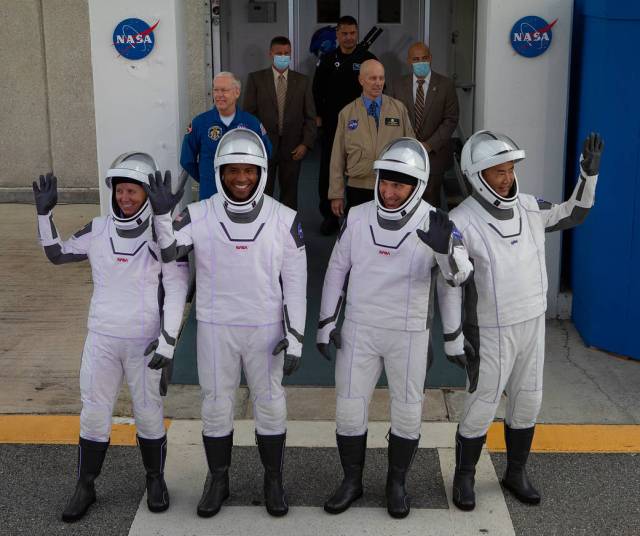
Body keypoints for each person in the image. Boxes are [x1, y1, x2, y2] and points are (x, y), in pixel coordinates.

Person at [437, 131, 604, 511]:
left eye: (511, 170)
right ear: (477, 175)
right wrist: (452, 335)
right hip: (490, 330)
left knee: (528, 401)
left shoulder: (529, 207)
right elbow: (452, 280)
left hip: (532, 323)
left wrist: (588, 176)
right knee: (482, 403)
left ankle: (516, 472)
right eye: (498, 172)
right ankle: (464, 477)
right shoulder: (460, 220)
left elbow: (572, 213)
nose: (508, 178)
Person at [147, 128, 307, 518]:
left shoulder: (284, 218)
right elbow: (169, 253)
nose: (241, 178)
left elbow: (297, 283)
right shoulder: (199, 214)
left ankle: (273, 480)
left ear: (261, 172)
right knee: (216, 405)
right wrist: (164, 216)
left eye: (249, 170)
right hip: (216, 326)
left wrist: (296, 334)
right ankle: (218, 478)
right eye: (233, 170)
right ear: (219, 172)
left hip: (266, 328)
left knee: (270, 404)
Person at [317, 138, 473, 518]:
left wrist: (445, 251)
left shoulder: (437, 221)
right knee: (349, 410)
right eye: (385, 181)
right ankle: (352, 480)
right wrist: (326, 323)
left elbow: (459, 277)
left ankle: (396, 483)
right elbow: (337, 269)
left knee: (407, 412)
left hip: (409, 333)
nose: (389, 191)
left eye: (399, 184)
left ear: (417, 185)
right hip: (359, 329)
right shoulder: (357, 216)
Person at [32, 154, 189, 522]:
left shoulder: (163, 234)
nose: (125, 198)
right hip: (101, 338)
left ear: (148, 194)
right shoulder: (98, 228)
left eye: (133, 191)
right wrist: (44, 215)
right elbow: (57, 253)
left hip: (144, 341)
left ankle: (155, 480)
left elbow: (178, 286)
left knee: (149, 415)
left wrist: (168, 340)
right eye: (120, 190)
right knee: (94, 415)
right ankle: (85, 486)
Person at [313, 15, 377, 235]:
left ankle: (356, 217)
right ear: (338, 35)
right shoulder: (328, 59)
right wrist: (319, 116)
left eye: (353, 33)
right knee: (331, 171)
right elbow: (317, 90)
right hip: (333, 125)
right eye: (344, 33)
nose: (349, 38)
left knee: (360, 170)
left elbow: (378, 90)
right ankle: (330, 215)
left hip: (362, 126)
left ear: (357, 34)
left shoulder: (368, 58)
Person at [328, 59, 414, 218]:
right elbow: (337, 157)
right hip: (358, 186)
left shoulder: (398, 109)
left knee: (389, 230)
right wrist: (336, 193)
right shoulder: (347, 113)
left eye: (381, 78)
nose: (378, 83)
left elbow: (411, 150)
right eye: (373, 78)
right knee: (359, 232)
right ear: (361, 80)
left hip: (391, 185)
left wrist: (411, 186)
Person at [244, 35, 317, 210]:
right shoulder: (256, 79)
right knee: (262, 192)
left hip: (293, 148)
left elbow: (310, 117)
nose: (283, 56)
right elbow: (249, 115)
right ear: (271, 53)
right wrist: (255, 144)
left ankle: (288, 233)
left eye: (287, 53)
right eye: (279, 53)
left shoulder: (302, 81)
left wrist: (305, 144)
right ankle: (263, 232)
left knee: (290, 195)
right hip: (264, 147)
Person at [181, 71, 272, 200]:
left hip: (243, 195)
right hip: (211, 195)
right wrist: (207, 178)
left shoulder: (252, 123)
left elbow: (266, 153)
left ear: (237, 93)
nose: (219, 95)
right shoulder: (200, 123)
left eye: (224, 90)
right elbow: (187, 159)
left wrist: (248, 181)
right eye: (216, 90)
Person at [390, 42, 459, 208]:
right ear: (409, 61)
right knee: (404, 199)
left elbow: (451, 119)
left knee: (430, 202)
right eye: (416, 59)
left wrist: (429, 145)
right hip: (405, 154)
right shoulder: (397, 85)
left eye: (424, 58)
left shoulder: (446, 85)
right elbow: (391, 118)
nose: (420, 62)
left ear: (430, 58)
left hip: (435, 155)